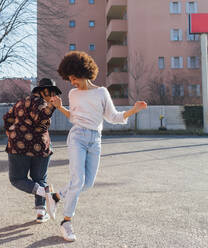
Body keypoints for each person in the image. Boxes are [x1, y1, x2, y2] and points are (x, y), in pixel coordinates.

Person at [48, 51, 148, 241]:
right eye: (69, 79)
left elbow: (113, 117)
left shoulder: (101, 92)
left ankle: (56, 197)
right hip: (77, 136)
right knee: (77, 180)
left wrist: (133, 110)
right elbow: (74, 117)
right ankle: (66, 222)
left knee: (87, 184)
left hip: (95, 140)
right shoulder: (73, 93)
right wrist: (60, 107)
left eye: (74, 78)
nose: (72, 82)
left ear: (83, 72)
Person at [3, 78, 62, 223]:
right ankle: (44, 203)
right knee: (39, 179)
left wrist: (8, 131)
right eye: (52, 93)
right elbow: (40, 118)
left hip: (18, 146)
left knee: (17, 179)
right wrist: (53, 107)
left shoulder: (20, 102)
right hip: (40, 148)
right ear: (43, 91)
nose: (53, 96)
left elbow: (7, 117)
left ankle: (42, 211)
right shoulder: (42, 104)